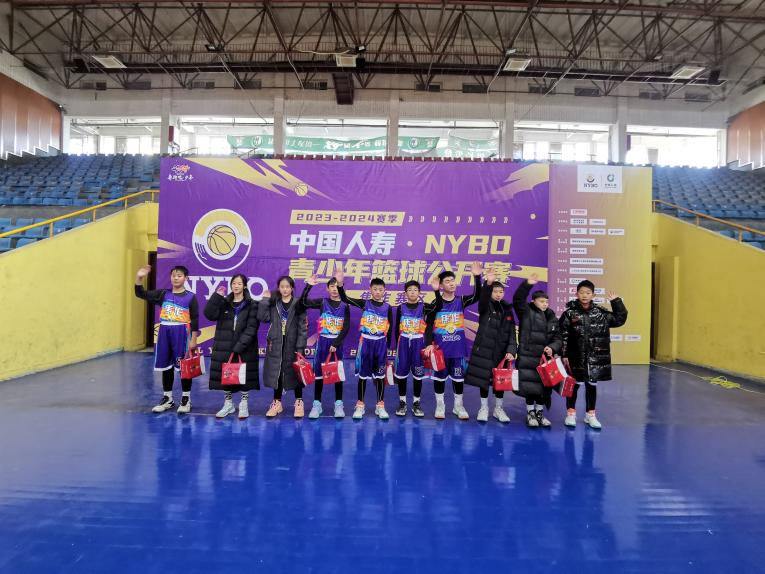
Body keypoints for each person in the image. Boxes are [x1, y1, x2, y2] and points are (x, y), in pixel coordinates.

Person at [559, 280, 628, 429]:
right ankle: (571, 413)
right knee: (574, 385)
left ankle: (590, 415)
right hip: (575, 356)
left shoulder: (601, 313)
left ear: (593, 295)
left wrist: (616, 302)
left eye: (588, 293)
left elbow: (619, 319)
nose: (584, 295)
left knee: (591, 385)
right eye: (581, 293)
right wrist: (564, 354)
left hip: (595, 356)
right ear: (576, 294)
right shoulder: (569, 313)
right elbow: (563, 335)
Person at [134, 264, 199, 414]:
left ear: (186, 278)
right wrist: (139, 277)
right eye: (173, 276)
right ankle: (168, 398)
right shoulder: (163, 294)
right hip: (164, 332)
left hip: (182, 333)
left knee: (183, 367)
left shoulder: (191, 297)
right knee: (166, 366)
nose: (176, 278)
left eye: (179, 276)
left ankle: (186, 399)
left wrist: (193, 339)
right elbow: (140, 293)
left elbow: (195, 319)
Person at [425, 262, 482, 420]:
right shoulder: (435, 304)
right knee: (439, 379)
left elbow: (477, 295)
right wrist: (429, 343)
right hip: (440, 351)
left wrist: (477, 277)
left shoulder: (461, 300)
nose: (451, 283)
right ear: (441, 285)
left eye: (453, 280)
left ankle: (458, 406)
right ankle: (440, 405)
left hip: (457, 349)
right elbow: (428, 326)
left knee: (458, 379)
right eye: (447, 281)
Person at [336, 268, 394, 420]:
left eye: (380, 289)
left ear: (384, 291)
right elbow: (345, 299)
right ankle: (360, 405)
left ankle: (380, 405)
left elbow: (390, 328)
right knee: (362, 376)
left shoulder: (388, 308)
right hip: (366, 343)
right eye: (375, 289)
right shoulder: (365, 303)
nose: (377, 292)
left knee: (380, 377)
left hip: (380, 344)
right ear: (370, 290)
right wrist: (340, 284)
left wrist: (388, 347)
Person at [464, 268, 517, 423]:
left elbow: (512, 333)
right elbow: (483, 297)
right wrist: (488, 283)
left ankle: (498, 409)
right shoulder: (485, 307)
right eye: (495, 291)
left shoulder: (508, 310)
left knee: (500, 381)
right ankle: (484, 408)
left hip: (501, 352)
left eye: (501, 291)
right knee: (484, 380)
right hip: (484, 351)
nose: (498, 294)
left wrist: (511, 350)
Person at [204, 274, 260, 420]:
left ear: (245, 286)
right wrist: (216, 297)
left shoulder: (252, 304)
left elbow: (252, 328)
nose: (236, 286)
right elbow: (209, 314)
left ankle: (244, 404)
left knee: (244, 377)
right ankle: (228, 404)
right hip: (224, 345)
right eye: (234, 283)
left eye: (239, 283)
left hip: (245, 347)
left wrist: (239, 346)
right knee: (226, 375)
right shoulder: (224, 302)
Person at [512, 273, 563, 428]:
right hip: (528, 357)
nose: (545, 304)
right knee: (529, 387)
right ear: (533, 302)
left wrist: (552, 347)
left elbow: (558, 338)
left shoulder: (552, 316)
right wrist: (527, 284)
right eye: (541, 301)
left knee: (544, 388)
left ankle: (540, 413)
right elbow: (518, 299)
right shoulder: (526, 312)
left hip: (545, 359)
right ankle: (530, 413)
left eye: (546, 301)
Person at [298, 274, 350, 419]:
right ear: (327, 289)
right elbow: (303, 303)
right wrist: (308, 286)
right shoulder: (323, 302)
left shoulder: (345, 306)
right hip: (322, 344)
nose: (334, 289)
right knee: (319, 375)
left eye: (337, 286)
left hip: (336, 345)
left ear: (341, 288)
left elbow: (346, 327)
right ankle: (317, 405)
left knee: (337, 375)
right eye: (331, 286)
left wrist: (336, 343)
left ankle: (338, 404)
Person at [258, 275, 309, 418]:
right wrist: (264, 300)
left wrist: (300, 348)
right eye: (282, 287)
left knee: (297, 373)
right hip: (276, 343)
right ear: (278, 288)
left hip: (294, 345)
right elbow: (263, 317)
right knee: (277, 373)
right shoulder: (274, 303)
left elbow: (303, 328)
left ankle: (299, 402)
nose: (285, 289)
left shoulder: (298, 303)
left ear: (292, 288)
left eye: (287, 287)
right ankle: (277, 403)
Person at [392, 280, 438, 418]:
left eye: (415, 290)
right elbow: (396, 328)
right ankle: (402, 402)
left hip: (419, 343)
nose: (412, 292)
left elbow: (439, 306)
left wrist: (436, 291)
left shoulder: (424, 307)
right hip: (403, 343)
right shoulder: (400, 308)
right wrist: (397, 347)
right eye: (410, 290)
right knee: (401, 375)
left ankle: (416, 403)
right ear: (405, 293)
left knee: (418, 375)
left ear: (419, 292)